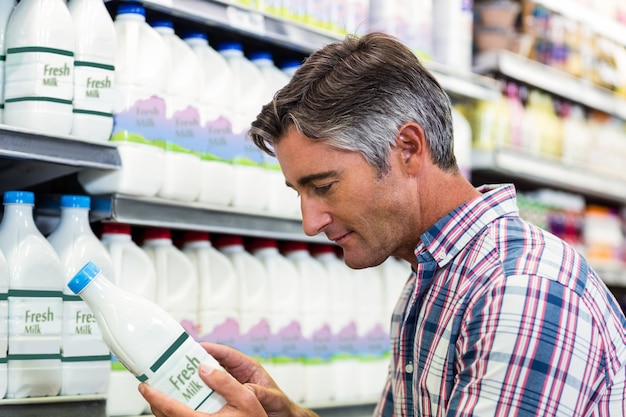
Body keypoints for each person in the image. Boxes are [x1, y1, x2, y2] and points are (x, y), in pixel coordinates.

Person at [140, 32, 626, 416]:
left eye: (324, 186)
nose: (310, 223)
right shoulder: (433, 282)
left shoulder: (520, 291)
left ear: (409, 149)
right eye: (300, 194)